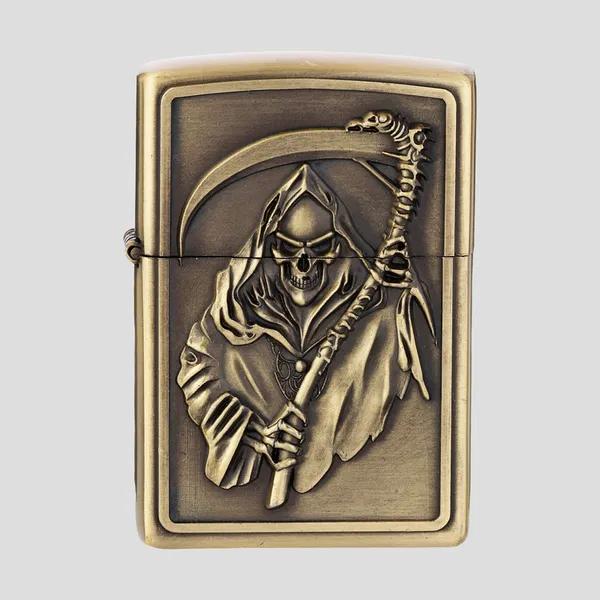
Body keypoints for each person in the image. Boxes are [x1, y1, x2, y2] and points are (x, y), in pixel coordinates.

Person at [177, 163, 433, 493]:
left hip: (369, 489)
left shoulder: (372, 303)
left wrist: (404, 286)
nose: (302, 264)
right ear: (267, 247)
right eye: (287, 247)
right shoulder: (234, 308)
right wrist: (256, 434)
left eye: (321, 247)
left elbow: (423, 351)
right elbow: (196, 369)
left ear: (342, 245)